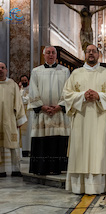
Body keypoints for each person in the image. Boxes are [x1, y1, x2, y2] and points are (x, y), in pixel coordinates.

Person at [63, 44, 106, 195]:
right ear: (85, 54)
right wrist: (82, 96)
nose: (91, 54)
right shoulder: (76, 73)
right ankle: (79, 186)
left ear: (98, 54)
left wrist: (99, 96)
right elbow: (67, 95)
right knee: (80, 149)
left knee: (98, 150)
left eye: (94, 51)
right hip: (81, 119)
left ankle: (100, 185)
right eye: (88, 51)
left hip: (100, 119)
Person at [28, 46, 70, 175]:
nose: (51, 55)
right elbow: (33, 89)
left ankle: (57, 167)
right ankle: (41, 168)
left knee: (57, 141)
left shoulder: (65, 71)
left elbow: (67, 90)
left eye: (53, 53)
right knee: (42, 141)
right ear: (44, 55)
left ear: (56, 55)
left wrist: (60, 106)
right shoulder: (36, 71)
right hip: (42, 113)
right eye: (48, 53)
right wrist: (42, 106)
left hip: (58, 113)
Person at [0, 62, 27, 177]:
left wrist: (19, 119)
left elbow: (19, 103)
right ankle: (1, 170)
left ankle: (15, 168)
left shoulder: (12, 84)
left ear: (6, 70)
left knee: (12, 142)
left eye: (2, 68)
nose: (0, 70)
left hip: (10, 120)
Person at [19, 75, 32, 157]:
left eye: (25, 80)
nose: (24, 82)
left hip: (29, 114)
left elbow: (27, 99)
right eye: (22, 80)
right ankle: (23, 150)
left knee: (29, 132)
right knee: (22, 134)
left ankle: (29, 150)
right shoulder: (20, 90)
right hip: (21, 113)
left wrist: (22, 98)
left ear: (28, 80)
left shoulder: (31, 88)